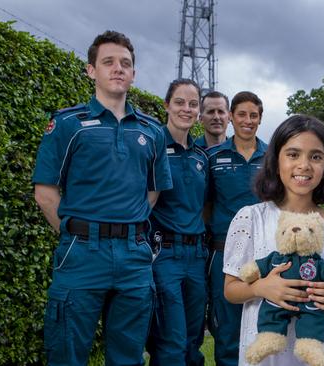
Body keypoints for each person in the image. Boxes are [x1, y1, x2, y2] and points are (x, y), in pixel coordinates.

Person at [32, 30, 172, 365]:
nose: (118, 68)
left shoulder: (151, 131)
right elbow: (45, 193)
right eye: (108, 62)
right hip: (81, 254)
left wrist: (123, 231)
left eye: (125, 63)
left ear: (134, 74)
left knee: (128, 356)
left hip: (133, 258)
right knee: (66, 353)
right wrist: (76, 232)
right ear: (91, 70)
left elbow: (152, 193)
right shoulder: (68, 123)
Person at [222, 115, 324, 365]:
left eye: (316, 157)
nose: (304, 165)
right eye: (293, 154)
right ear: (276, 160)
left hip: (317, 351)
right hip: (267, 355)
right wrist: (259, 288)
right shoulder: (251, 218)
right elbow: (231, 289)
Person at [146, 78, 209, 365]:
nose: (187, 109)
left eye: (193, 104)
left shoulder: (201, 157)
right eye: (180, 102)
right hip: (165, 254)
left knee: (193, 340)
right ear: (167, 105)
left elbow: (204, 206)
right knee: (170, 340)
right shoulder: (152, 147)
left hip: (196, 255)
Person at [206, 91, 268, 365]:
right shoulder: (212, 157)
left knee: (266, 328)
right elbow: (205, 205)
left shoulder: (274, 157)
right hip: (224, 255)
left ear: (260, 119)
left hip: (265, 253)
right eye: (241, 114)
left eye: (253, 115)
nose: (247, 120)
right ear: (231, 117)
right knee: (227, 331)